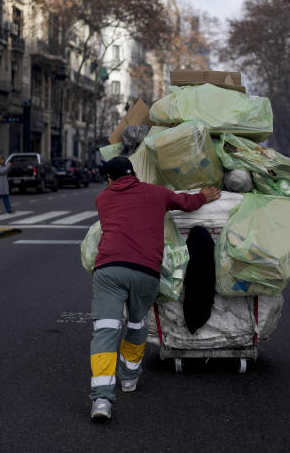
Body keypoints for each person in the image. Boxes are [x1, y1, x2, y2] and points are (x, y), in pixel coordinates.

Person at [88, 156, 220, 422]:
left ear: (109, 180)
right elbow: (187, 203)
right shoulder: (156, 193)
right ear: (134, 174)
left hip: (109, 270)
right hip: (145, 271)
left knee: (105, 330)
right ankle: (129, 378)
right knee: (137, 325)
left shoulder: (102, 199)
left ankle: (102, 399)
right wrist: (204, 195)